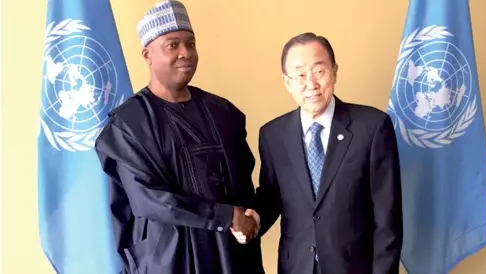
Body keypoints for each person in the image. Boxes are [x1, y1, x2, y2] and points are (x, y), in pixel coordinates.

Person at [94, 1, 264, 273]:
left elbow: (244, 180)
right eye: (173, 45)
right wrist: (223, 216)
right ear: (148, 55)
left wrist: (250, 216)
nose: (186, 53)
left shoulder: (223, 112)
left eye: (191, 43)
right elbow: (148, 198)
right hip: (171, 260)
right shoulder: (128, 125)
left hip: (232, 259)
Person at [233, 32, 403, 274]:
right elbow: (272, 195)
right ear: (287, 82)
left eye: (319, 71)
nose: (311, 84)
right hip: (296, 267)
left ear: (334, 72)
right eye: (300, 75)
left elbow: (388, 218)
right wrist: (255, 218)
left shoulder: (372, 127)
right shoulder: (273, 135)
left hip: (354, 267)